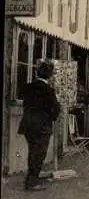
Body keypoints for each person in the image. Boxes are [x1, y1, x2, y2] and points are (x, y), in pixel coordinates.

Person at [18, 61, 61, 191]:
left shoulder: (28, 87)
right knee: (39, 154)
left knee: (32, 152)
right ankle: (32, 182)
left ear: (37, 73)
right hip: (42, 127)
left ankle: (31, 178)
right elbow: (55, 109)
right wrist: (52, 116)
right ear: (50, 75)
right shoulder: (49, 90)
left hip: (28, 124)